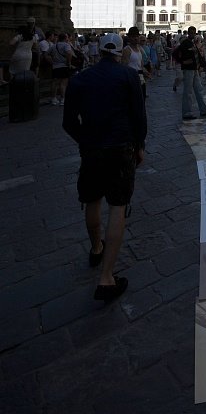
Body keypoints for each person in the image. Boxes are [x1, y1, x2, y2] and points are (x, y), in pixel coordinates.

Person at [62, 33, 147, 302]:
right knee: (118, 206)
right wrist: (140, 145)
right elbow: (139, 116)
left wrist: (85, 140)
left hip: (92, 149)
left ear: (98, 51)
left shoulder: (79, 79)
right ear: (121, 52)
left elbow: (68, 121)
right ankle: (107, 277)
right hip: (122, 146)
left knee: (92, 200)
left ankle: (96, 248)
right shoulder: (128, 77)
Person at [176, 25, 206, 121]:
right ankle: (187, 113)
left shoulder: (193, 43)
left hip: (195, 69)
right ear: (188, 33)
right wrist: (183, 62)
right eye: (191, 33)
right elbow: (175, 53)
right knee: (188, 91)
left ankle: (203, 110)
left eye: (194, 32)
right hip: (188, 69)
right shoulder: (185, 43)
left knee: (198, 89)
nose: (192, 34)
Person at [122, 26, 148, 101]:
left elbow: (141, 65)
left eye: (137, 36)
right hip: (132, 80)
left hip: (141, 80)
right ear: (129, 38)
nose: (136, 38)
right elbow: (124, 66)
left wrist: (145, 71)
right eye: (133, 36)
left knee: (142, 102)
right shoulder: (127, 50)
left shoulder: (139, 49)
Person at [49, 32, 73, 105]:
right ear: (65, 38)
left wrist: (51, 62)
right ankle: (63, 99)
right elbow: (69, 53)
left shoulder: (54, 45)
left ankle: (53, 98)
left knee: (55, 83)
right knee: (63, 84)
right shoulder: (66, 45)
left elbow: (46, 54)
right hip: (64, 66)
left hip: (55, 66)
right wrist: (68, 62)